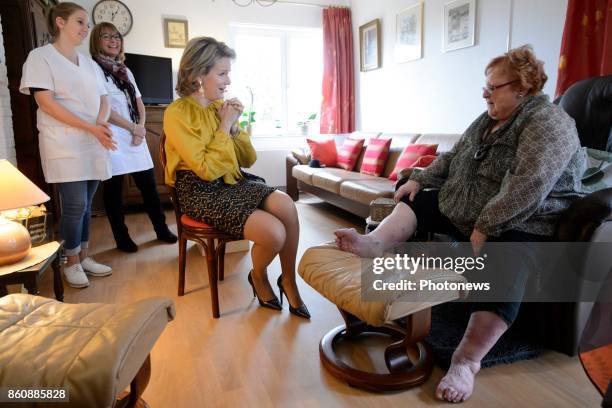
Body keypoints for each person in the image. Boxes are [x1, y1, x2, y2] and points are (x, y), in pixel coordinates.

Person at [334, 45, 587, 402]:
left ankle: (467, 361)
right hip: (472, 208)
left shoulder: (549, 123)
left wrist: (486, 225)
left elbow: (528, 184)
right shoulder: (487, 120)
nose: (485, 93)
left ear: (523, 87)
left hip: (524, 219)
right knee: (415, 199)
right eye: (486, 86)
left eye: (493, 87)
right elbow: (453, 158)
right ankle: (375, 242)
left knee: (504, 256)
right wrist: (419, 178)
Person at [163, 37, 310, 319]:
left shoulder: (220, 107)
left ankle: (289, 281)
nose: (228, 80)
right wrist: (225, 124)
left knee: (287, 206)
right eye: (222, 73)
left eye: (228, 72)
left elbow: (248, 158)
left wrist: (232, 127)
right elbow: (205, 169)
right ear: (197, 75)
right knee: (274, 234)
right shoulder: (177, 113)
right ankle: (258, 276)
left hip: (233, 180)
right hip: (199, 190)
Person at [20, 2, 116, 288]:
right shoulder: (40, 57)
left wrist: (99, 124)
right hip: (64, 142)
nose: (86, 28)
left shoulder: (88, 63)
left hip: (92, 141)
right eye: (80, 22)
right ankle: (70, 261)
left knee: (87, 205)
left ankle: (84, 255)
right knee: (74, 204)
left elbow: (105, 99)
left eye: (87, 24)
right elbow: (45, 102)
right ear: (60, 22)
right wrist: (91, 127)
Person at [89, 22, 177, 252]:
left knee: (148, 186)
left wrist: (140, 126)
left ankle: (161, 229)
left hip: (134, 134)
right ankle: (122, 237)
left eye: (116, 36)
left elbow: (138, 100)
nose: (113, 40)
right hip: (112, 135)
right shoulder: (92, 69)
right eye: (106, 36)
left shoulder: (125, 70)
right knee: (114, 191)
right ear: (96, 41)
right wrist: (132, 127)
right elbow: (103, 105)